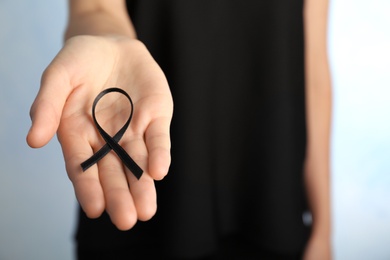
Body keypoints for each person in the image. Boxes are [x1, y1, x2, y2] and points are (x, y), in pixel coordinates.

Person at [27, 0, 332, 259]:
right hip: (138, 201)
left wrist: (324, 230)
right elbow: (95, 7)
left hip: (271, 203)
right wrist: (109, 38)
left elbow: (313, 69)